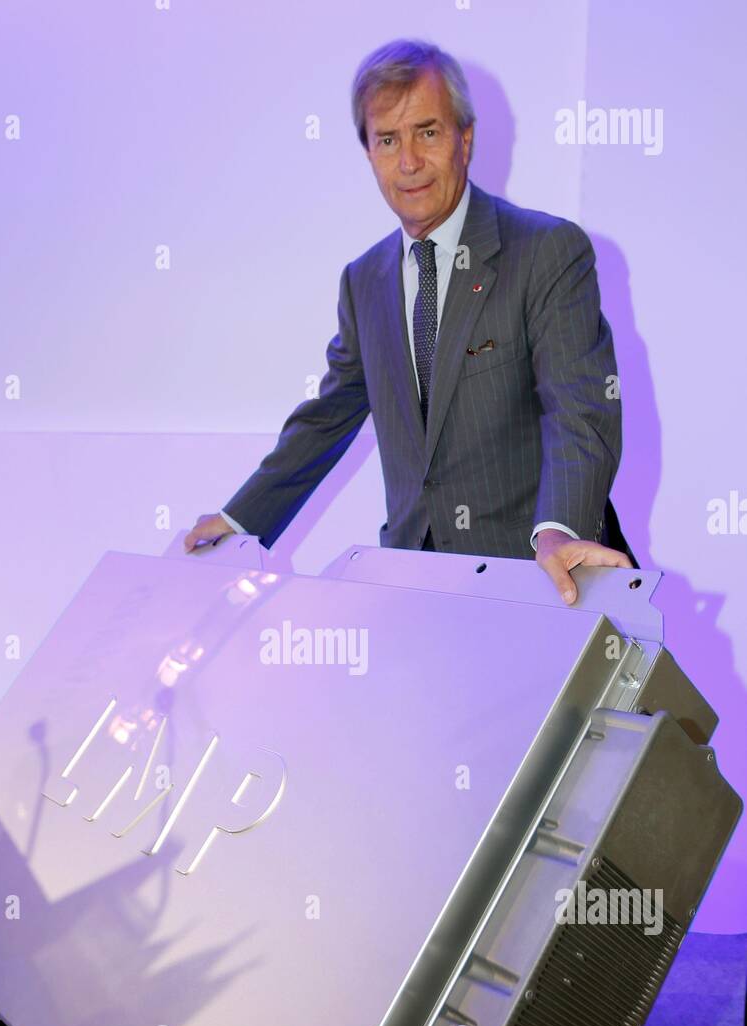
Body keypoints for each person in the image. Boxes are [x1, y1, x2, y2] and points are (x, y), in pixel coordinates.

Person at [184, 38, 635, 605]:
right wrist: (240, 518)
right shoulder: (364, 280)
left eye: (427, 132)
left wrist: (557, 532)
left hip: (545, 584)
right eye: (388, 140)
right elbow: (326, 420)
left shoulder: (545, 251)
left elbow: (580, 410)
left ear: (464, 139)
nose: (409, 162)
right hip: (416, 595)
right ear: (368, 153)